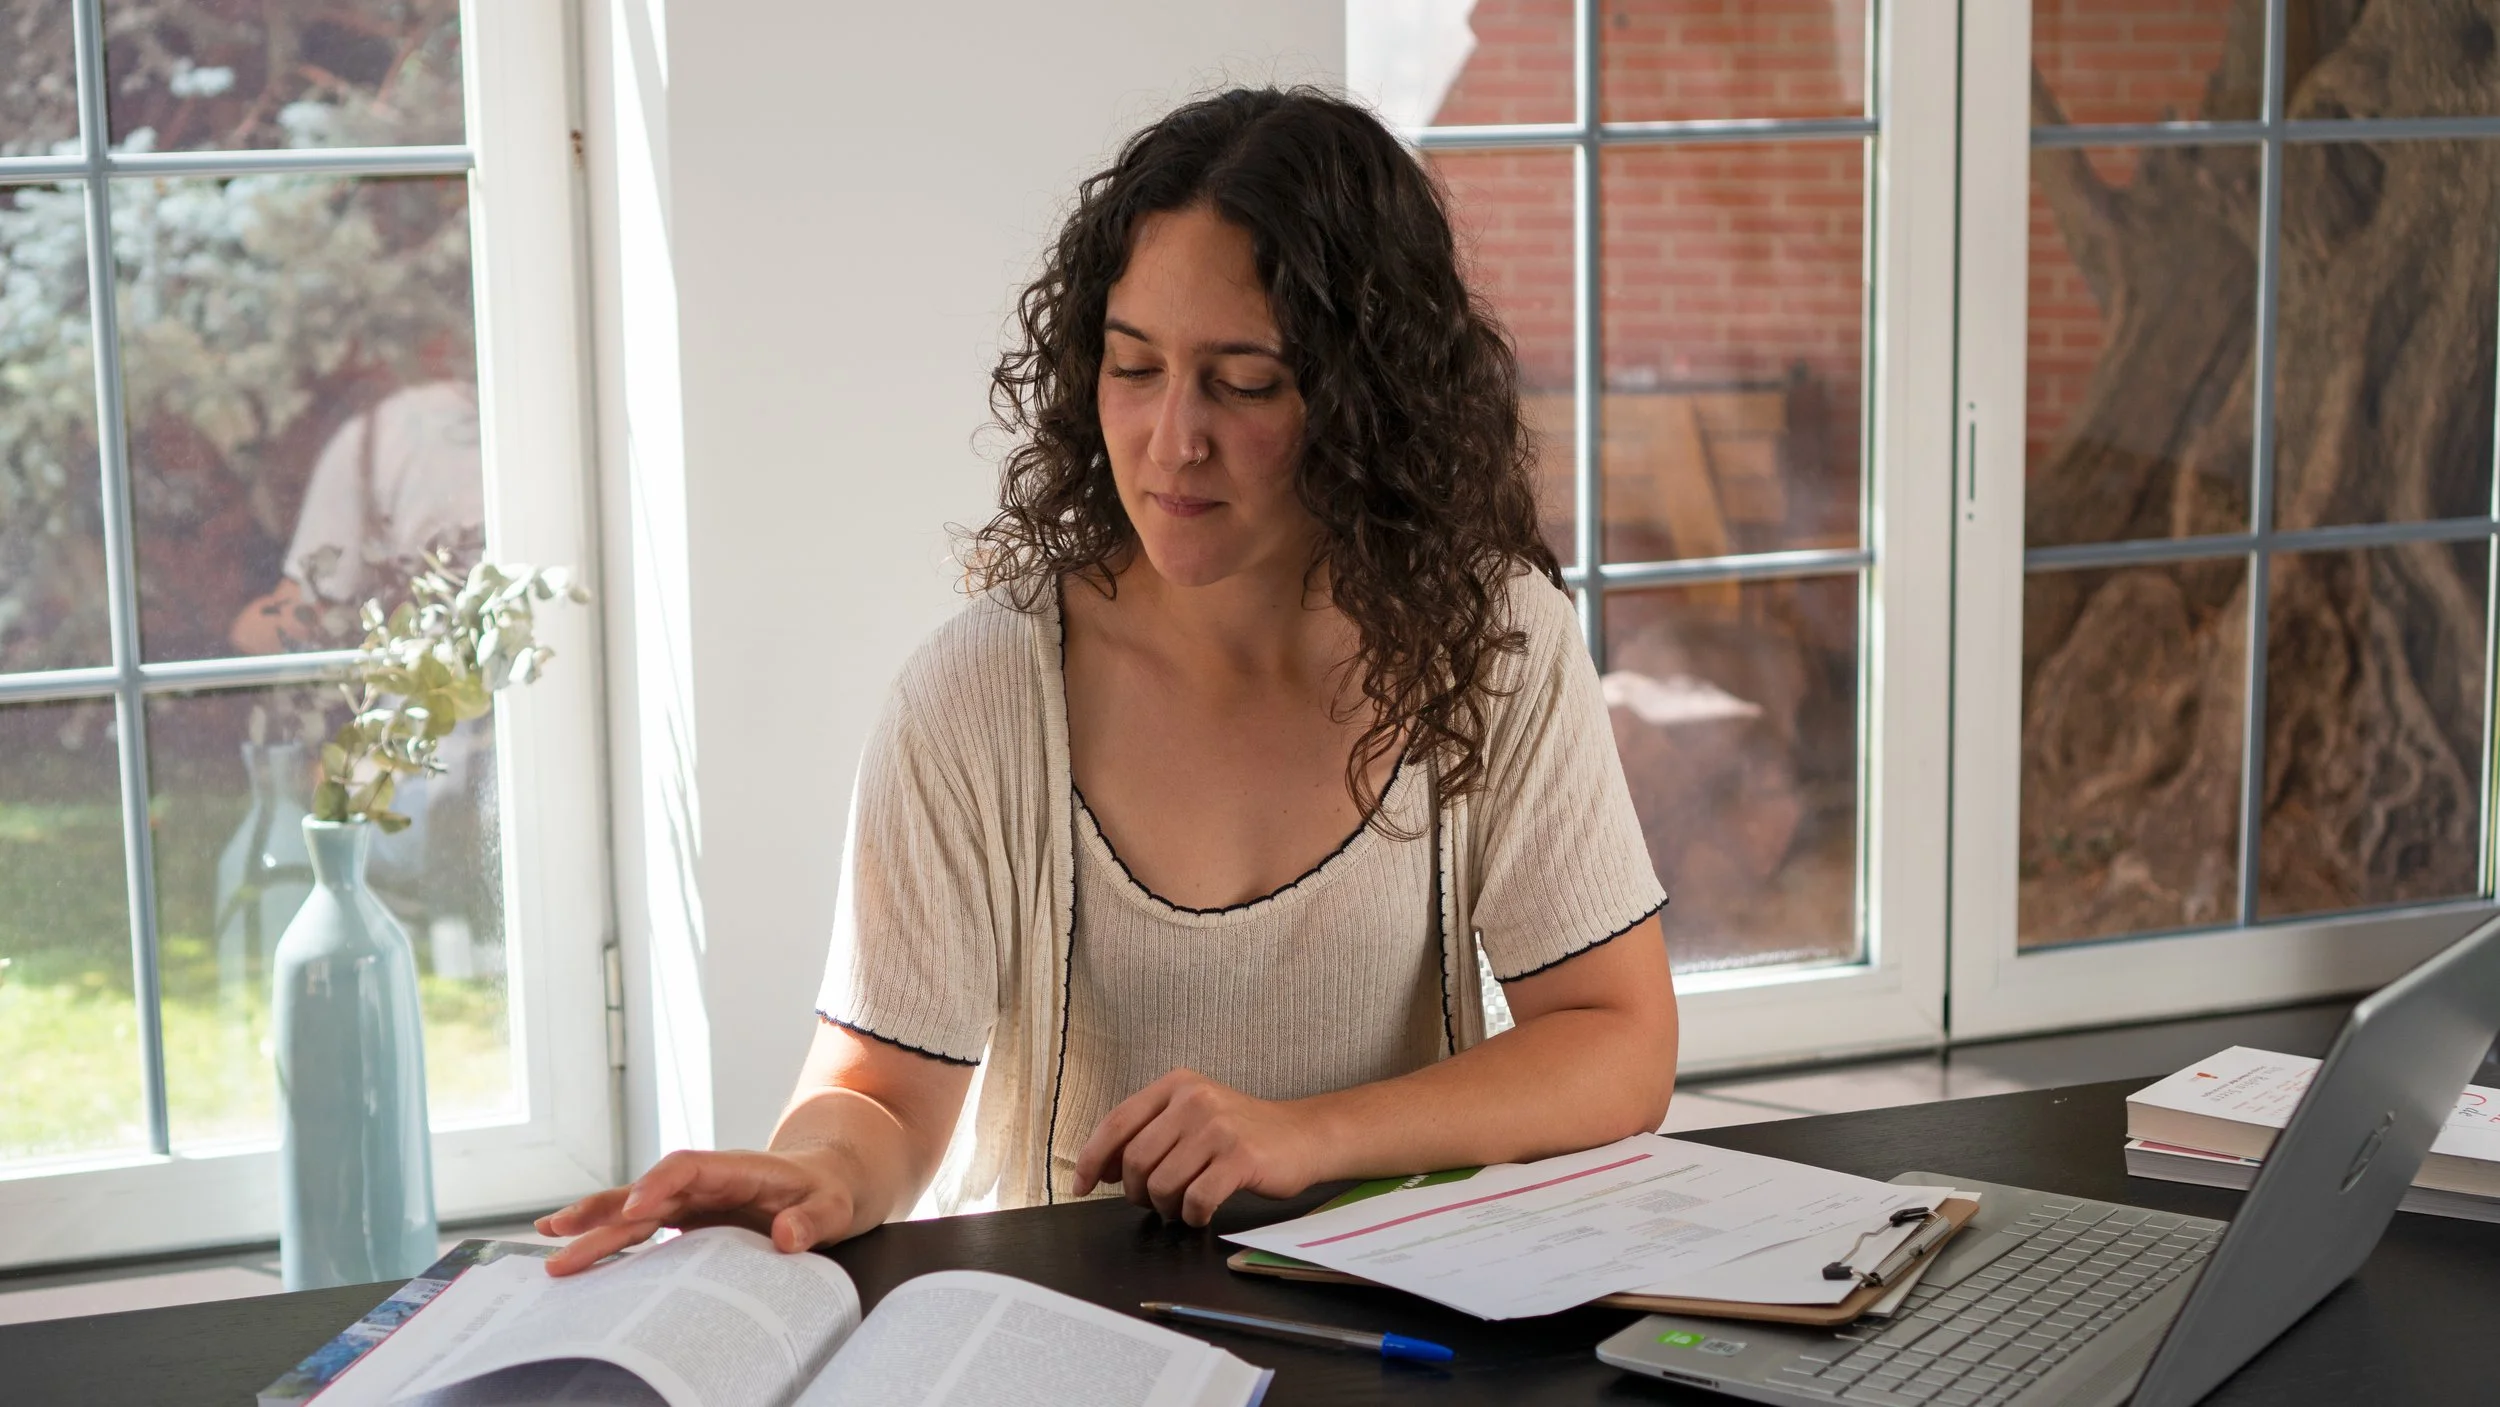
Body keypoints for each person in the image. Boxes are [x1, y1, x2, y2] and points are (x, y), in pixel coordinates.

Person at [538, 87, 1679, 1275]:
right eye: (1134, 367)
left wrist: (1306, 1136)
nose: (1171, 440)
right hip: (1068, 1325)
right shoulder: (979, 694)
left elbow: (1616, 1040)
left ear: (1368, 401)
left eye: (1244, 382)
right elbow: (879, 1091)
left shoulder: (1492, 641)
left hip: (1407, 1310)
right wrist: (822, 1169)